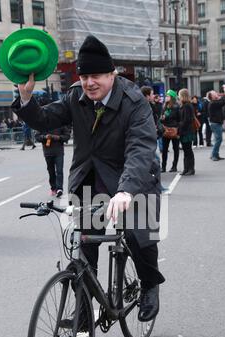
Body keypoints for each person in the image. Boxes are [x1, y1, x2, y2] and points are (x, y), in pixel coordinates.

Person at [13, 34, 165, 322]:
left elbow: (141, 148)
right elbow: (45, 120)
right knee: (84, 247)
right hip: (89, 178)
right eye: (84, 76)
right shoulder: (75, 96)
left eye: (96, 76)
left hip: (133, 177)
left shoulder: (133, 101)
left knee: (139, 235)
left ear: (112, 74)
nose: (89, 83)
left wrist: (126, 191)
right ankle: (83, 312)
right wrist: (26, 98)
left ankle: (149, 286)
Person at [35, 126, 71, 197]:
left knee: (59, 171)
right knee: (51, 171)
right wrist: (45, 137)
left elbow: (67, 136)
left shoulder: (60, 123)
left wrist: (58, 137)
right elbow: (37, 137)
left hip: (59, 152)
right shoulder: (43, 123)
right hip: (48, 153)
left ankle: (59, 189)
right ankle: (53, 188)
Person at [160, 89, 180, 172]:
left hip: (174, 129)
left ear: (172, 97)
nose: (166, 97)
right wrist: (162, 119)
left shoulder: (176, 106)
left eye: (168, 96)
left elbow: (179, 118)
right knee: (164, 149)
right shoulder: (164, 106)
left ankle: (174, 166)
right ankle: (163, 167)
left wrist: (166, 117)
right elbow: (162, 118)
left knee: (176, 149)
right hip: (166, 129)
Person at [208, 84, 225, 161]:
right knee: (218, 139)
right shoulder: (213, 103)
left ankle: (215, 154)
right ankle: (214, 155)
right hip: (215, 123)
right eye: (214, 93)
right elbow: (223, 101)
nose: (216, 94)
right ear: (212, 96)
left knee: (217, 139)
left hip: (216, 123)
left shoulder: (214, 102)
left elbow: (222, 101)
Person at [178, 89, 195, 176]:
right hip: (185, 131)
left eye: (179, 95)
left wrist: (179, 125)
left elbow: (187, 120)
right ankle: (186, 168)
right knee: (186, 150)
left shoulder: (187, 106)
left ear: (183, 96)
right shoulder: (184, 105)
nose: (178, 97)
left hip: (187, 131)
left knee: (188, 151)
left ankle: (191, 169)